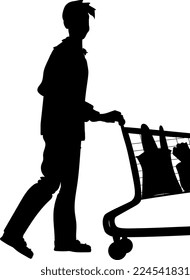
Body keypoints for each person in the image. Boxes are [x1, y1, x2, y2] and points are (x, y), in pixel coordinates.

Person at [1, 0, 125, 259]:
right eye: (79, 21)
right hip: (61, 130)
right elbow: (49, 89)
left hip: (68, 129)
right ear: (68, 24)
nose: (83, 26)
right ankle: (14, 232)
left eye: (86, 21)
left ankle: (65, 239)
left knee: (66, 187)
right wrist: (97, 115)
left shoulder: (74, 53)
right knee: (51, 183)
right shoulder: (65, 53)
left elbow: (60, 93)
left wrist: (91, 114)